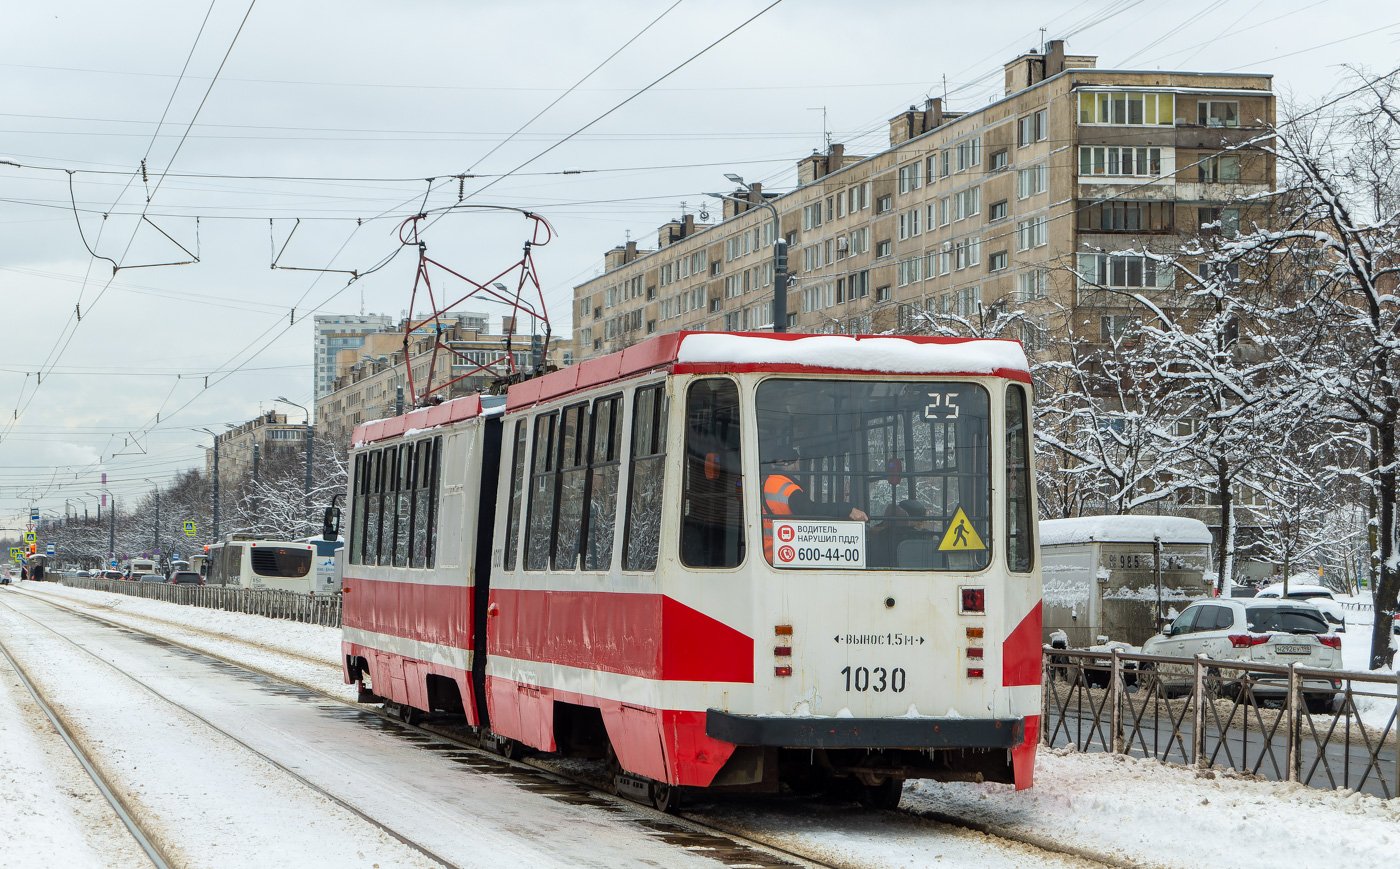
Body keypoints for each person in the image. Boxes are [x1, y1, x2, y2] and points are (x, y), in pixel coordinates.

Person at [761, 446, 868, 562]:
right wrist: (847, 509)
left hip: (765, 555)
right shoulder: (789, 490)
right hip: (785, 556)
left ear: (772, 465)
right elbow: (811, 510)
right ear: (796, 464)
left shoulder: (762, 486)